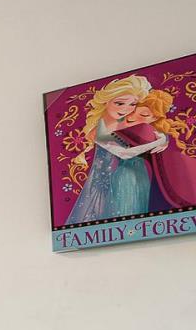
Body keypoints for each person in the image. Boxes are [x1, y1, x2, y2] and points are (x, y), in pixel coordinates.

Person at [66, 75, 168, 226]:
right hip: (107, 185)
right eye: (119, 103)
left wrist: (165, 138)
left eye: (132, 104)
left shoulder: (128, 121)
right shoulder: (98, 131)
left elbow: (153, 130)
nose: (126, 109)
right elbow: (124, 153)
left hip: (138, 176)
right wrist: (159, 141)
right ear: (107, 101)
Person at [119, 89, 196, 210]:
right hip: (126, 181)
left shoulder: (153, 133)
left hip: (148, 184)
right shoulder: (118, 128)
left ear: (154, 118)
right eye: (130, 111)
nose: (132, 118)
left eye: (143, 115)